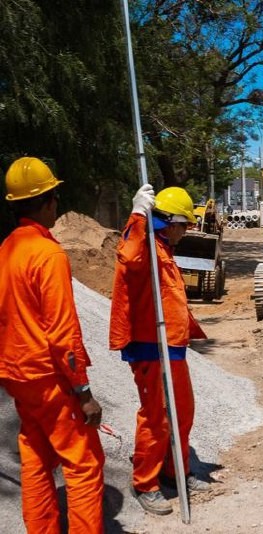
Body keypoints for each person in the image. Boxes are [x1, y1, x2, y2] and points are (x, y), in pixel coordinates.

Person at [0, 157, 105, 532]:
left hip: (17, 376)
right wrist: (84, 392)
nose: (56, 206)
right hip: (50, 379)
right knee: (83, 463)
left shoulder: (6, 251)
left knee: (35, 456)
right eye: (55, 199)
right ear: (46, 202)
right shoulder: (48, 255)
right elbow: (63, 333)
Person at [109, 184, 210, 515]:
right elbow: (128, 256)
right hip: (151, 346)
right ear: (171, 222)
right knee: (156, 416)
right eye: (185, 225)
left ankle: (174, 471)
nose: (187, 232)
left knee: (182, 410)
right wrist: (138, 215)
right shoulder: (144, 246)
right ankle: (145, 482)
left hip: (173, 346)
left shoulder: (163, 248)